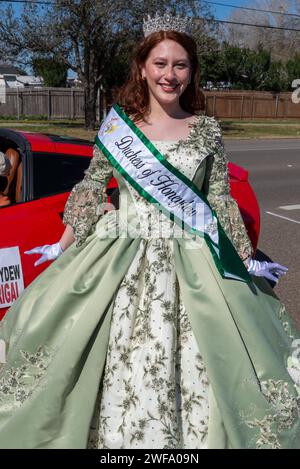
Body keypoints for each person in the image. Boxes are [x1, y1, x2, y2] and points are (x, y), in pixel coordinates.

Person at [0, 13, 299, 450]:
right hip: (120, 248)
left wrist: (246, 257)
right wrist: (63, 243)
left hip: (193, 255)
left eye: (180, 65)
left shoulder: (207, 131)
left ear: (192, 72)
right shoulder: (119, 126)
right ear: (142, 67)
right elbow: (91, 184)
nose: (170, 74)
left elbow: (217, 200)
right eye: (160, 63)